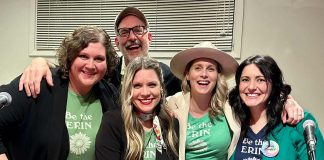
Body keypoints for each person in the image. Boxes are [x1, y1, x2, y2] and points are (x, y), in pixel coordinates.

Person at [166, 42, 305, 160]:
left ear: (218, 76)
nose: (204, 74)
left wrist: (287, 101)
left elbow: (256, 94)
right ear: (187, 74)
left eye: (210, 69)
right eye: (197, 68)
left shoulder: (229, 104)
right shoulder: (172, 104)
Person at [0, 26, 119, 160]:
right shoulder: (40, 83)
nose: (91, 65)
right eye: (83, 56)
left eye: (99, 59)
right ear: (70, 57)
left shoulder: (110, 94)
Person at [18, 6, 181, 98]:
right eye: (124, 32)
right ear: (117, 42)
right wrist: (40, 62)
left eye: (138, 30)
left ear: (149, 37)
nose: (132, 37)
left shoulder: (167, 76)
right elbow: (73, 72)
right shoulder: (106, 70)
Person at [228, 55, 324, 159]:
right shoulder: (233, 122)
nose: (251, 87)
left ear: (274, 85)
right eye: (245, 80)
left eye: (260, 80)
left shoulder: (298, 122)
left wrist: (287, 100)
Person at [95, 56, 178, 160]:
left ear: (161, 88)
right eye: (137, 86)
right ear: (128, 89)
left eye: (152, 85)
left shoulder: (171, 123)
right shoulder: (113, 122)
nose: (145, 93)